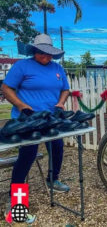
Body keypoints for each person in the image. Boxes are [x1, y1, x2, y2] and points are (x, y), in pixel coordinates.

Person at [1, 34, 70, 222]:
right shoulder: (22, 66)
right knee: (28, 155)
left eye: (49, 54)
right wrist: (22, 105)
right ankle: (16, 202)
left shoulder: (58, 68)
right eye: (42, 54)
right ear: (34, 51)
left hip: (51, 118)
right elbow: (6, 89)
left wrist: (61, 102)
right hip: (28, 119)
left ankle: (52, 179)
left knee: (57, 148)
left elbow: (65, 89)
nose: (46, 57)